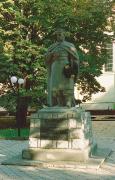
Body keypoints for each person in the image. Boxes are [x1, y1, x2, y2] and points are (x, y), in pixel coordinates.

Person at [45, 29, 79, 107]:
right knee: (55, 85)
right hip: (55, 66)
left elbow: (75, 58)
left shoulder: (69, 45)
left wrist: (72, 67)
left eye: (60, 34)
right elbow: (46, 59)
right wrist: (51, 55)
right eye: (58, 35)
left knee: (67, 84)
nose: (59, 36)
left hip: (65, 67)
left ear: (64, 35)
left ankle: (68, 102)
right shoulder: (52, 47)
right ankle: (59, 103)